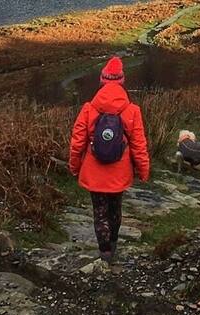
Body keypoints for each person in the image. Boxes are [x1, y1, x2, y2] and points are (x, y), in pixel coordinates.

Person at [68, 56, 150, 263]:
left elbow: (77, 142)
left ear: (102, 81)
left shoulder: (88, 109)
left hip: (94, 172)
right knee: (116, 209)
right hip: (119, 171)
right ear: (122, 81)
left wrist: (74, 167)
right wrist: (143, 170)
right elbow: (139, 145)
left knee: (100, 211)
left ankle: (103, 251)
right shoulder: (132, 111)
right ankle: (113, 245)